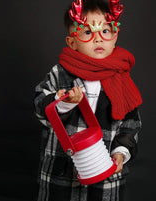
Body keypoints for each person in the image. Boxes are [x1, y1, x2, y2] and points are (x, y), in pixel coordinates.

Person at [34, 0, 142, 200]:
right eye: (87, 32)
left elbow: (131, 124)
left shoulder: (121, 77)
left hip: (105, 178)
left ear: (115, 36)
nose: (98, 39)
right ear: (72, 42)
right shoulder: (60, 74)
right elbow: (40, 107)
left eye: (105, 31)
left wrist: (121, 152)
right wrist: (63, 102)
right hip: (62, 174)